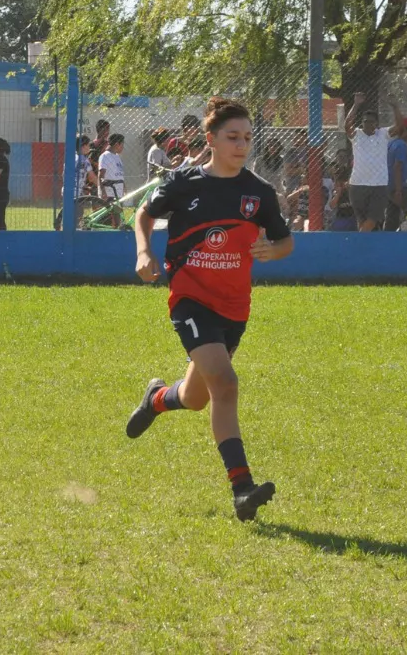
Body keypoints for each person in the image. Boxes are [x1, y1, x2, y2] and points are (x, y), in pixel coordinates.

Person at [128, 97, 293, 523]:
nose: (242, 145)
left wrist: (272, 251)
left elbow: (285, 241)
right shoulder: (185, 183)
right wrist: (144, 252)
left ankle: (157, 399)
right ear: (211, 140)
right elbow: (143, 215)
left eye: (247, 138)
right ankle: (242, 489)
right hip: (191, 299)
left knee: (197, 397)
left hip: (234, 306)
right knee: (226, 383)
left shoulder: (258, 193)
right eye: (233, 137)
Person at [343, 92, 401, 231]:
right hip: (357, 184)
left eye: (371, 122)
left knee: (372, 220)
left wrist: (395, 106)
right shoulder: (357, 134)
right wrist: (356, 105)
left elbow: (399, 125)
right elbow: (347, 125)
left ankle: (359, 241)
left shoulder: (383, 134)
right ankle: (364, 242)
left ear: (376, 124)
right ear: (362, 123)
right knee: (361, 220)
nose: (368, 124)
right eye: (365, 121)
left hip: (379, 185)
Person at [384, 118, 407, 232]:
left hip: (388, 186)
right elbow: (397, 167)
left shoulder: (391, 143)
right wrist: (399, 190)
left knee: (391, 219)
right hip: (398, 187)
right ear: (405, 129)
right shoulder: (402, 145)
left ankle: (386, 240)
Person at [98, 133, 126, 227]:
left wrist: (124, 186)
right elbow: (101, 175)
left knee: (118, 219)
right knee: (110, 219)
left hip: (118, 193)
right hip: (110, 193)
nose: (123, 147)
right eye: (122, 144)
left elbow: (120, 173)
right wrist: (103, 191)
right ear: (117, 144)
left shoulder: (117, 156)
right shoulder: (105, 156)